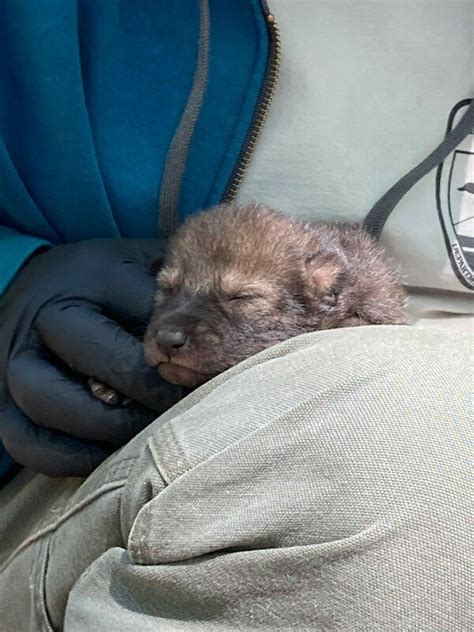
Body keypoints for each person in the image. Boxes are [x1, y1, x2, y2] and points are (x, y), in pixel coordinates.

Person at [0, 1, 471, 629]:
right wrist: (11, 276)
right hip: (70, 471)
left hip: (421, 388)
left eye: (239, 298)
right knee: (390, 446)